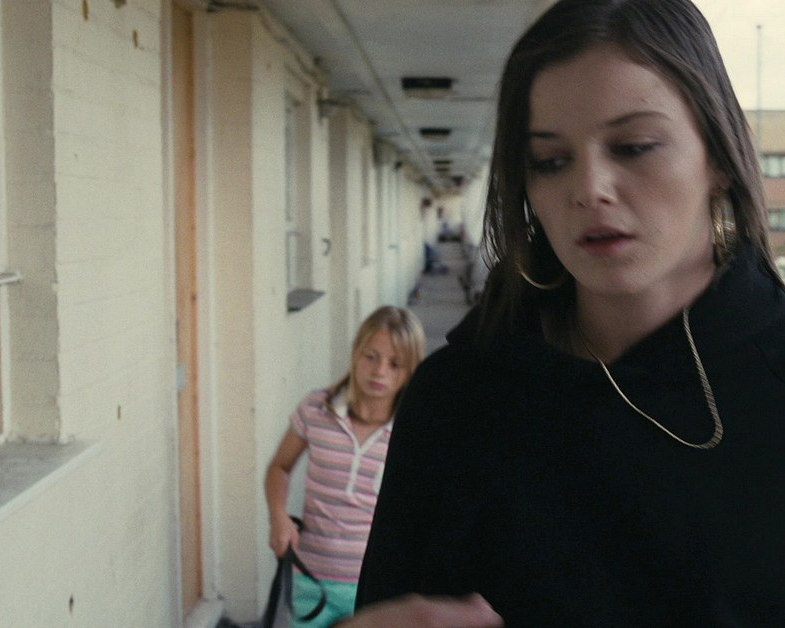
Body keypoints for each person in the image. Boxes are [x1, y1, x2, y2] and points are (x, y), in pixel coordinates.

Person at [347, 0, 785, 626]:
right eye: (550, 161)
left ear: (717, 154)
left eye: (633, 147)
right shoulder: (456, 398)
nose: (589, 189)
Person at [265, 305, 426, 627]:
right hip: (312, 581)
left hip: (374, 587)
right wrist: (279, 516)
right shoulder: (316, 409)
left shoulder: (414, 431)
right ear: (355, 352)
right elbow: (279, 467)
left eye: (395, 364)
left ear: (411, 371)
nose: (379, 371)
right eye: (371, 357)